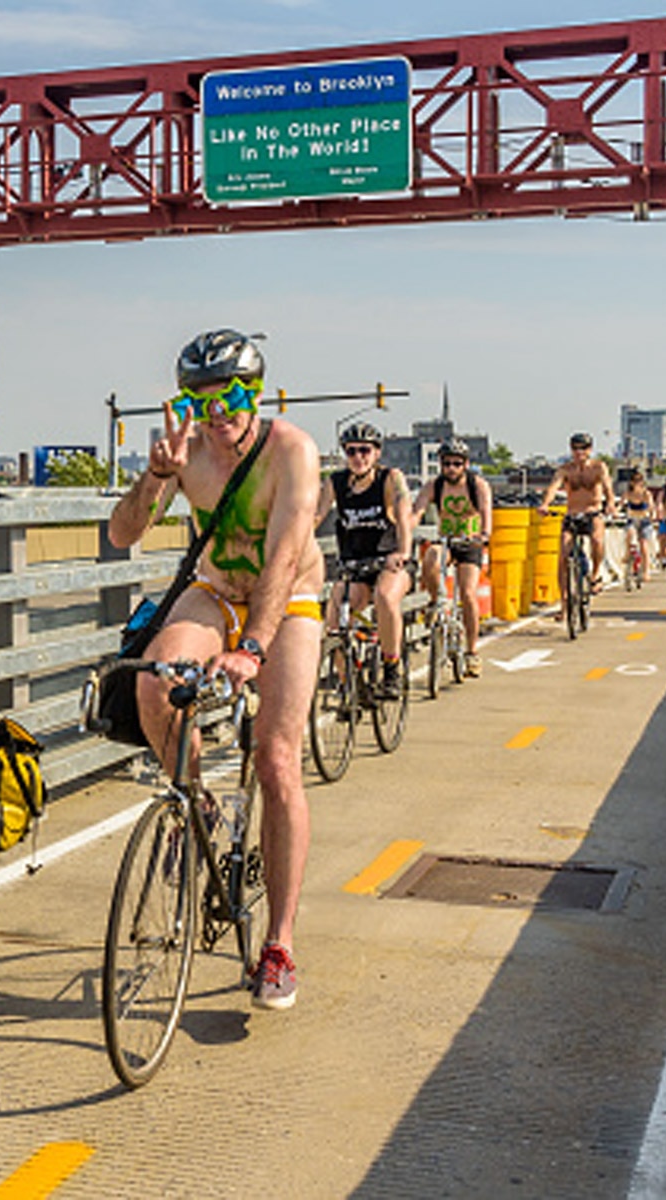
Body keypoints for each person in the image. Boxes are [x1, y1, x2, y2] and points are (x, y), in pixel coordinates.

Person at [107, 328, 324, 1011]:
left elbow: (285, 558)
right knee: (154, 681)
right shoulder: (190, 453)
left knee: (277, 759)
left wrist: (252, 650)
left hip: (287, 602)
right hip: (214, 591)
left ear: (254, 392)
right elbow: (122, 535)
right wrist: (157, 477)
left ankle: (280, 945)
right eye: (198, 398)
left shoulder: (291, 451)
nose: (217, 409)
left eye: (230, 393)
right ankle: (195, 801)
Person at [315, 421, 414, 700]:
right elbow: (315, 517)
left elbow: (404, 516)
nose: (358, 457)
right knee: (334, 624)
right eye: (351, 451)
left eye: (365, 451)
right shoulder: (335, 482)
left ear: (377, 453)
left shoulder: (390, 479)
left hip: (389, 561)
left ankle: (392, 667)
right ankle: (352, 687)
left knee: (385, 597)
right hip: (355, 564)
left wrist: (403, 551)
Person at [410, 437, 492, 678]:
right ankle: (436, 602)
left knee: (467, 594)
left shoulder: (478, 486)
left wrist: (485, 534)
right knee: (430, 561)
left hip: (471, 542)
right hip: (446, 540)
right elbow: (418, 510)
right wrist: (406, 526)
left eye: (457, 464)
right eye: (447, 464)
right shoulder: (434, 486)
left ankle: (472, 651)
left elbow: (487, 511)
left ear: (465, 464)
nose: (451, 469)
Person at [537, 432, 617, 606]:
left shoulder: (598, 467)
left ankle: (596, 574)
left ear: (590, 450)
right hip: (572, 514)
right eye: (575, 448)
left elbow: (608, 488)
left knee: (597, 540)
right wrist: (545, 504)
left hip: (592, 512)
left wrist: (610, 504)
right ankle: (565, 601)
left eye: (583, 448)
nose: (579, 452)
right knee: (564, 556)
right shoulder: (565, 469)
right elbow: (553, 487)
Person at [621, 468, 656, 582]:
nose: (637, 483)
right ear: (631, 482)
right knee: (629, 534)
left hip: (644, 520)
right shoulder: (628, 494)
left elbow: (651, 506)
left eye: (639, 480)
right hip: (632, 519)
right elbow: (620, 505)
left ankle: (646, 571)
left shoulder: (646, 494)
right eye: (635, 480)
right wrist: (615, 512)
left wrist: (652, 514)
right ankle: (627, 553)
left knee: (643, 545)